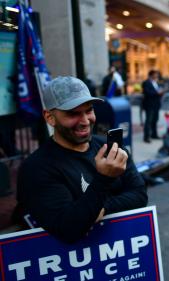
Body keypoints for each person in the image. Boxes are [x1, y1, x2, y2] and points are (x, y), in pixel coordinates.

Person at [14, 76, 148, 243]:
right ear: (50, 117)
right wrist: (104, 178)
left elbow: (139, 195)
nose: (85, 121)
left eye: (89, 110)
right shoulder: (36, 168)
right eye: (73, 113)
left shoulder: (107, 147)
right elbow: (68, 228)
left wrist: (104, 208)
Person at [142, 70, 166, 143]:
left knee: (155, 120)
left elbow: (157, 92)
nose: (157, 75)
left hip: (156, 105)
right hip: (149, 105)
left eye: (157, 74)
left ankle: (154, 134)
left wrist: (161, 92)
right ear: (151, 75)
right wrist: (157, 92)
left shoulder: (156, 82)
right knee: (148, 121)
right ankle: (146, 137)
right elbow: (148, 93)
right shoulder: (146, 83)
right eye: (155, 74)